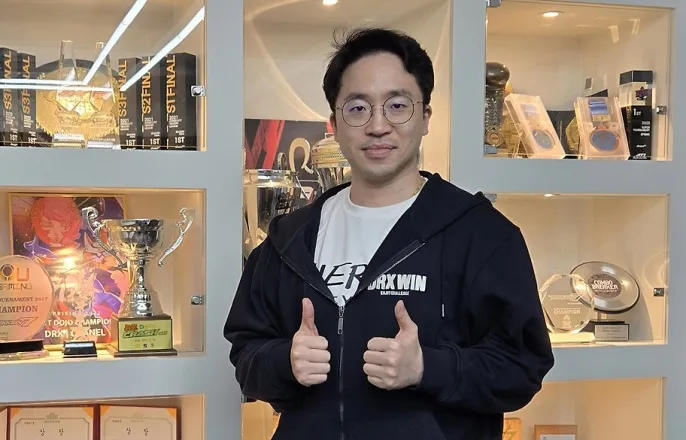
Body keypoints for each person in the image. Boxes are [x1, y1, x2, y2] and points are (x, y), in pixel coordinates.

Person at [225, 27, 554, 440]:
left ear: (425, 117)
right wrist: (283, 362)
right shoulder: (289, 239)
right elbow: (246, 353)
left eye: (397, 105)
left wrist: (427, 367)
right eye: (358, 108)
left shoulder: (482, 235)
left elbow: (523, 366)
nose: (378, 126)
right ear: (334, 124)